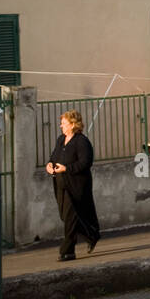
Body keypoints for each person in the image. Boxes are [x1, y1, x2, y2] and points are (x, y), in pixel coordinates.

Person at [46, 109, 101, 261]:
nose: (60, 126)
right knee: (66, 217)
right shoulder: (60, 139)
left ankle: (67, 251)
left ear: (72, 124)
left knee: (70, 218)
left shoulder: (81, 141)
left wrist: (67, 168)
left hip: (76, 185)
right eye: (61, 123)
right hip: (60, 184)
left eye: (63, 123)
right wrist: (50, 166)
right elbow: (53, 156)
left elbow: (85, 162)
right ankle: (91, 235)